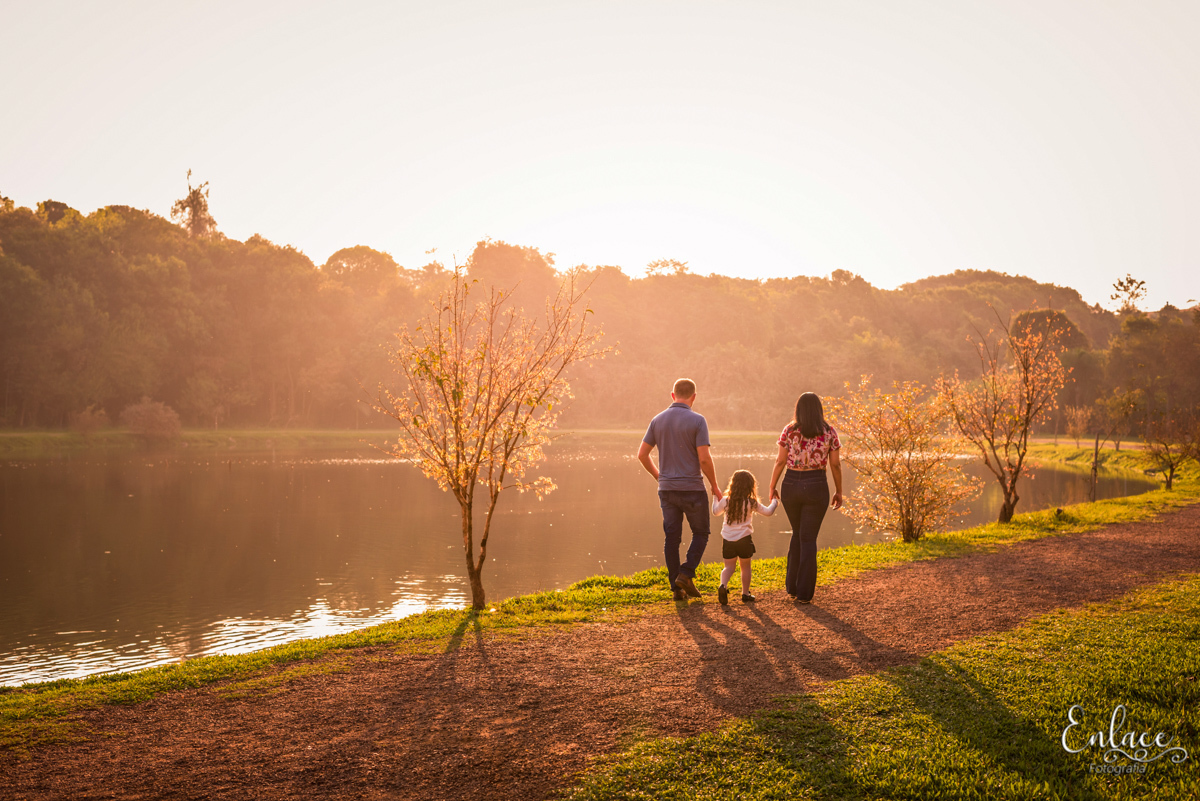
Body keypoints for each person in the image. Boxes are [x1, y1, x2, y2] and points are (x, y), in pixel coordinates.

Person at [638, 378, 722, 600]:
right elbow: (704, 459)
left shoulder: (657, 420)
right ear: (694, 397)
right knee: (701, 533)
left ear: (672, 395)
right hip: (692, 489)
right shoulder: (698, 421)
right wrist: (714, 485)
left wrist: (659, 477)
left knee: (671, 538)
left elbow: (642, 455)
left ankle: (677, 589)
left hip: (667, 490)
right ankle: (685, 574)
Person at [768, 392, 843, 604]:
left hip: (791, 483)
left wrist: (773, 485)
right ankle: (804, 593)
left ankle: (791, 586)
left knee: (797, 533)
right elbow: (835, 464)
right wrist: (839, 490)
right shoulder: (829, 432)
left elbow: (780, 461)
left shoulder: (789, 431)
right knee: (808, 538)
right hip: (817, 484)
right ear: (819, 409)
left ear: (798, 409)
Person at [711, 469, 777, 605]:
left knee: (728, 567)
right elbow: (769, 512)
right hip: (744, 539)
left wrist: (714, 498)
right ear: (750, 486)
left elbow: (715, 512)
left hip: (728, 539)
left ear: (733, 484)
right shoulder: (751, 502)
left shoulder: (726, 501)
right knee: (745, 567)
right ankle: (745, 594)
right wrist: (775, 501)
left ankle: (723, 585)